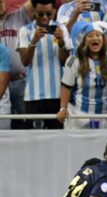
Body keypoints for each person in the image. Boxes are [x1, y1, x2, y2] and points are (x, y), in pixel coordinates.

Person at [17, 0, 73, 129]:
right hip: (33, 95)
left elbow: (65, 61)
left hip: (57, 95)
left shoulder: (61, 28)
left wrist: (61, 43)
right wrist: (34, 41)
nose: (45, 18)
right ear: (34, 12)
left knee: (56, 139)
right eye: (40, 14)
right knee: (32, 140)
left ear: (54, 11)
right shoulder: (25, 31)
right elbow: (25, 61)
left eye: (48, 14)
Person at [57, 22, 107, 129]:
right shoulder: (73, 60)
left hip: (106, 116)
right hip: (79, 116)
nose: (95, 38)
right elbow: (66, 87)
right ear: (83, 41)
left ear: (103, 39)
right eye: (90, 36)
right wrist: (63, 108)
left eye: (98, 35)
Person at [0, 0, 34, 129]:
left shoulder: (19, 16)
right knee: (4, 126)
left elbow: (36, 2)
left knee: (26, 122)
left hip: (21, 80)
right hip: (0, 82)